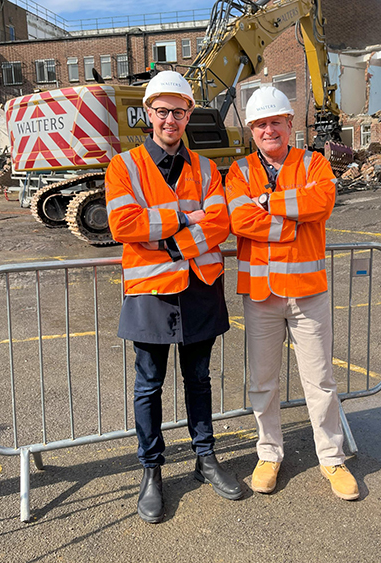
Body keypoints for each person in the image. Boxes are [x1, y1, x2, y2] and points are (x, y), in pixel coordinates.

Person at [105, 70, 242, 524]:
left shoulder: (205, 168)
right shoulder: (123, 166)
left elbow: (220, 223)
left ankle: (206, 460)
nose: (170, 120)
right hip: (151, 294)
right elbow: (123, 226)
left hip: (200, 289)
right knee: (149, 386)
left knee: (199, 380)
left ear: (188, 115)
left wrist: (165, 236)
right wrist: (186, 214)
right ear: (148, 113)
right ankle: (151, 472)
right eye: (162, 111)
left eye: (178, 112)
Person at [225, 87, 359, 501]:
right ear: (251, 130)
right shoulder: (238, 171)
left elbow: (321, 200)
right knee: (263, 383)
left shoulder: (313, 162)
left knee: (320, 381)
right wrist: (288, 222)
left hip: (307, 292)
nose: (269, 130)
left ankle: (332, 459)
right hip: (261, 296)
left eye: (276, 122)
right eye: (261, 124)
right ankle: (268, 454)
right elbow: (238, 218)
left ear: (288, 125)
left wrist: (267, 200)